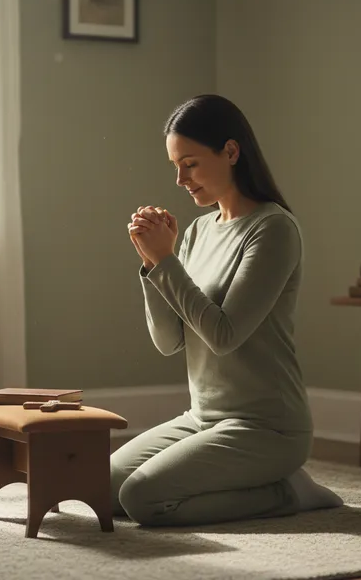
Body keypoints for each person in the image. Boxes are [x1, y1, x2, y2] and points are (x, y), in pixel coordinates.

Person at [113, 94, 343, 527]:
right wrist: (152, 264)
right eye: (175, 167)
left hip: (266, 427)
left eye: (191, 163)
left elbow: (223, 335)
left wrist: (166, 262)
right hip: (201, 418)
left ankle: (287, 489)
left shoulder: (273, 229)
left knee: (143, 499)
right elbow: (168, 342)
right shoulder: (199, 230)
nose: (180, 179)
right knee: (103, 488)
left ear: (231, 152)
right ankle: (244, 482)